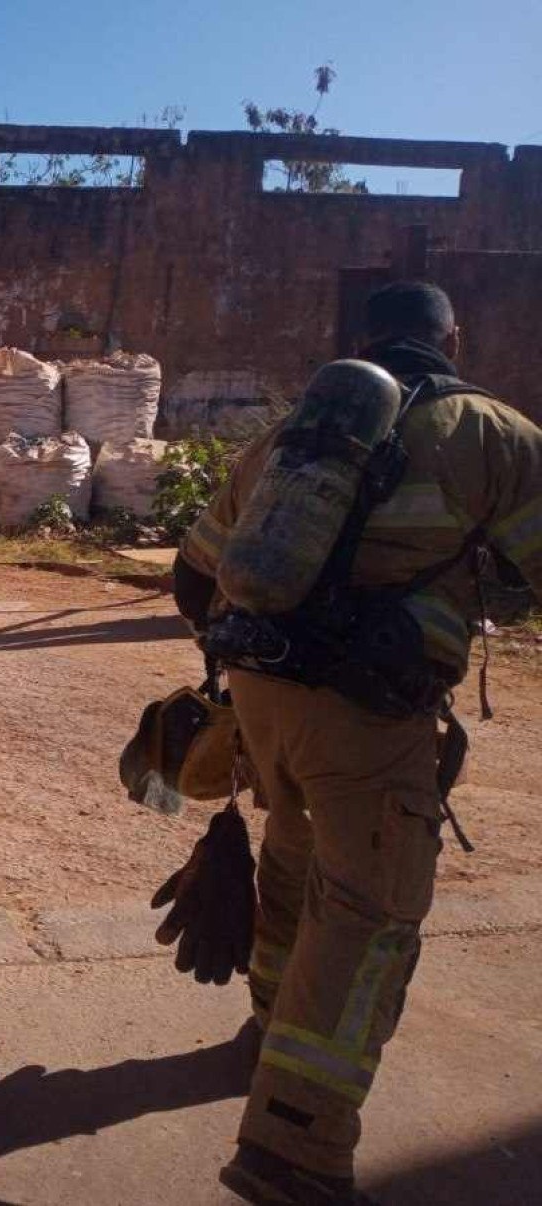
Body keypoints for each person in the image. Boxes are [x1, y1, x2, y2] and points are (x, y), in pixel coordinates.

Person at [174, 281, 542, 1205]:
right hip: (369, 716)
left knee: (294, 857)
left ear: (366, 341)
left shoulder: (289, 439)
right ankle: (296, 1146)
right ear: (453, 337)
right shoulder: (494, 435)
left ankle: (268, 1028)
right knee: (369, 912)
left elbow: (191, 578)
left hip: (261, 696)